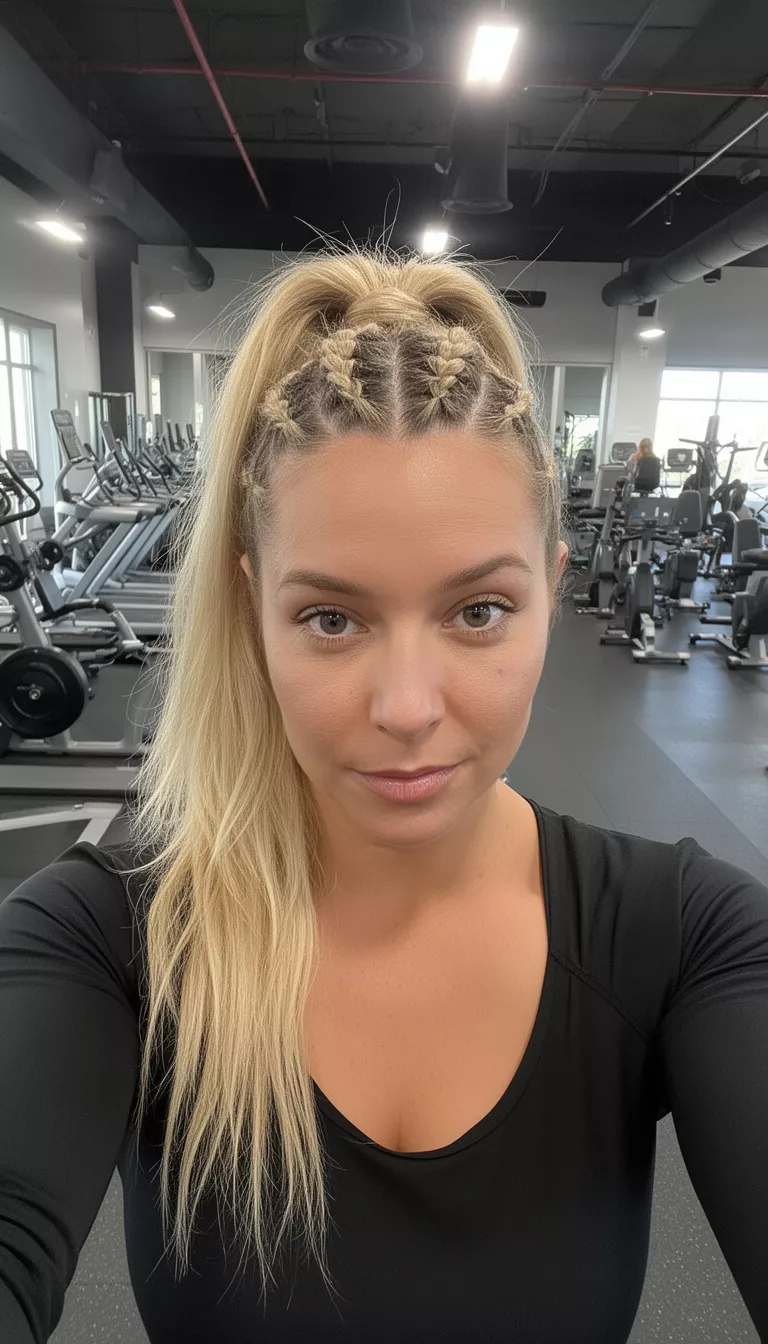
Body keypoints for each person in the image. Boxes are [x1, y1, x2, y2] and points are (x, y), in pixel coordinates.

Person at [1, 252, 767, 1344]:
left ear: (551, 593)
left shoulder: (689, 936)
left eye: (479, 612)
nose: (407, 708)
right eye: (331, 619)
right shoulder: (105, 937)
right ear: (252, 607)